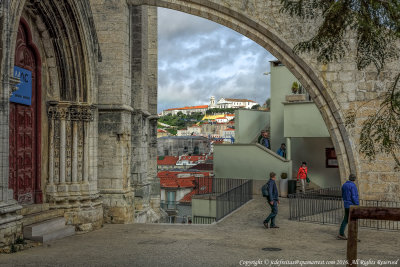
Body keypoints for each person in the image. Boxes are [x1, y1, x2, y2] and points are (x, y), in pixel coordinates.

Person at [337, 174, 359, 240]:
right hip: (352, 205)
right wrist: (357, 204)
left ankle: (341, 233)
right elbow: (353, 196)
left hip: (346, 204)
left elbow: (343, 195)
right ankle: (353, 236)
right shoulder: (353, 186)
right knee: (353, 220)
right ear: (354, 179)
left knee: (346, 219)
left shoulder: (344, 185)